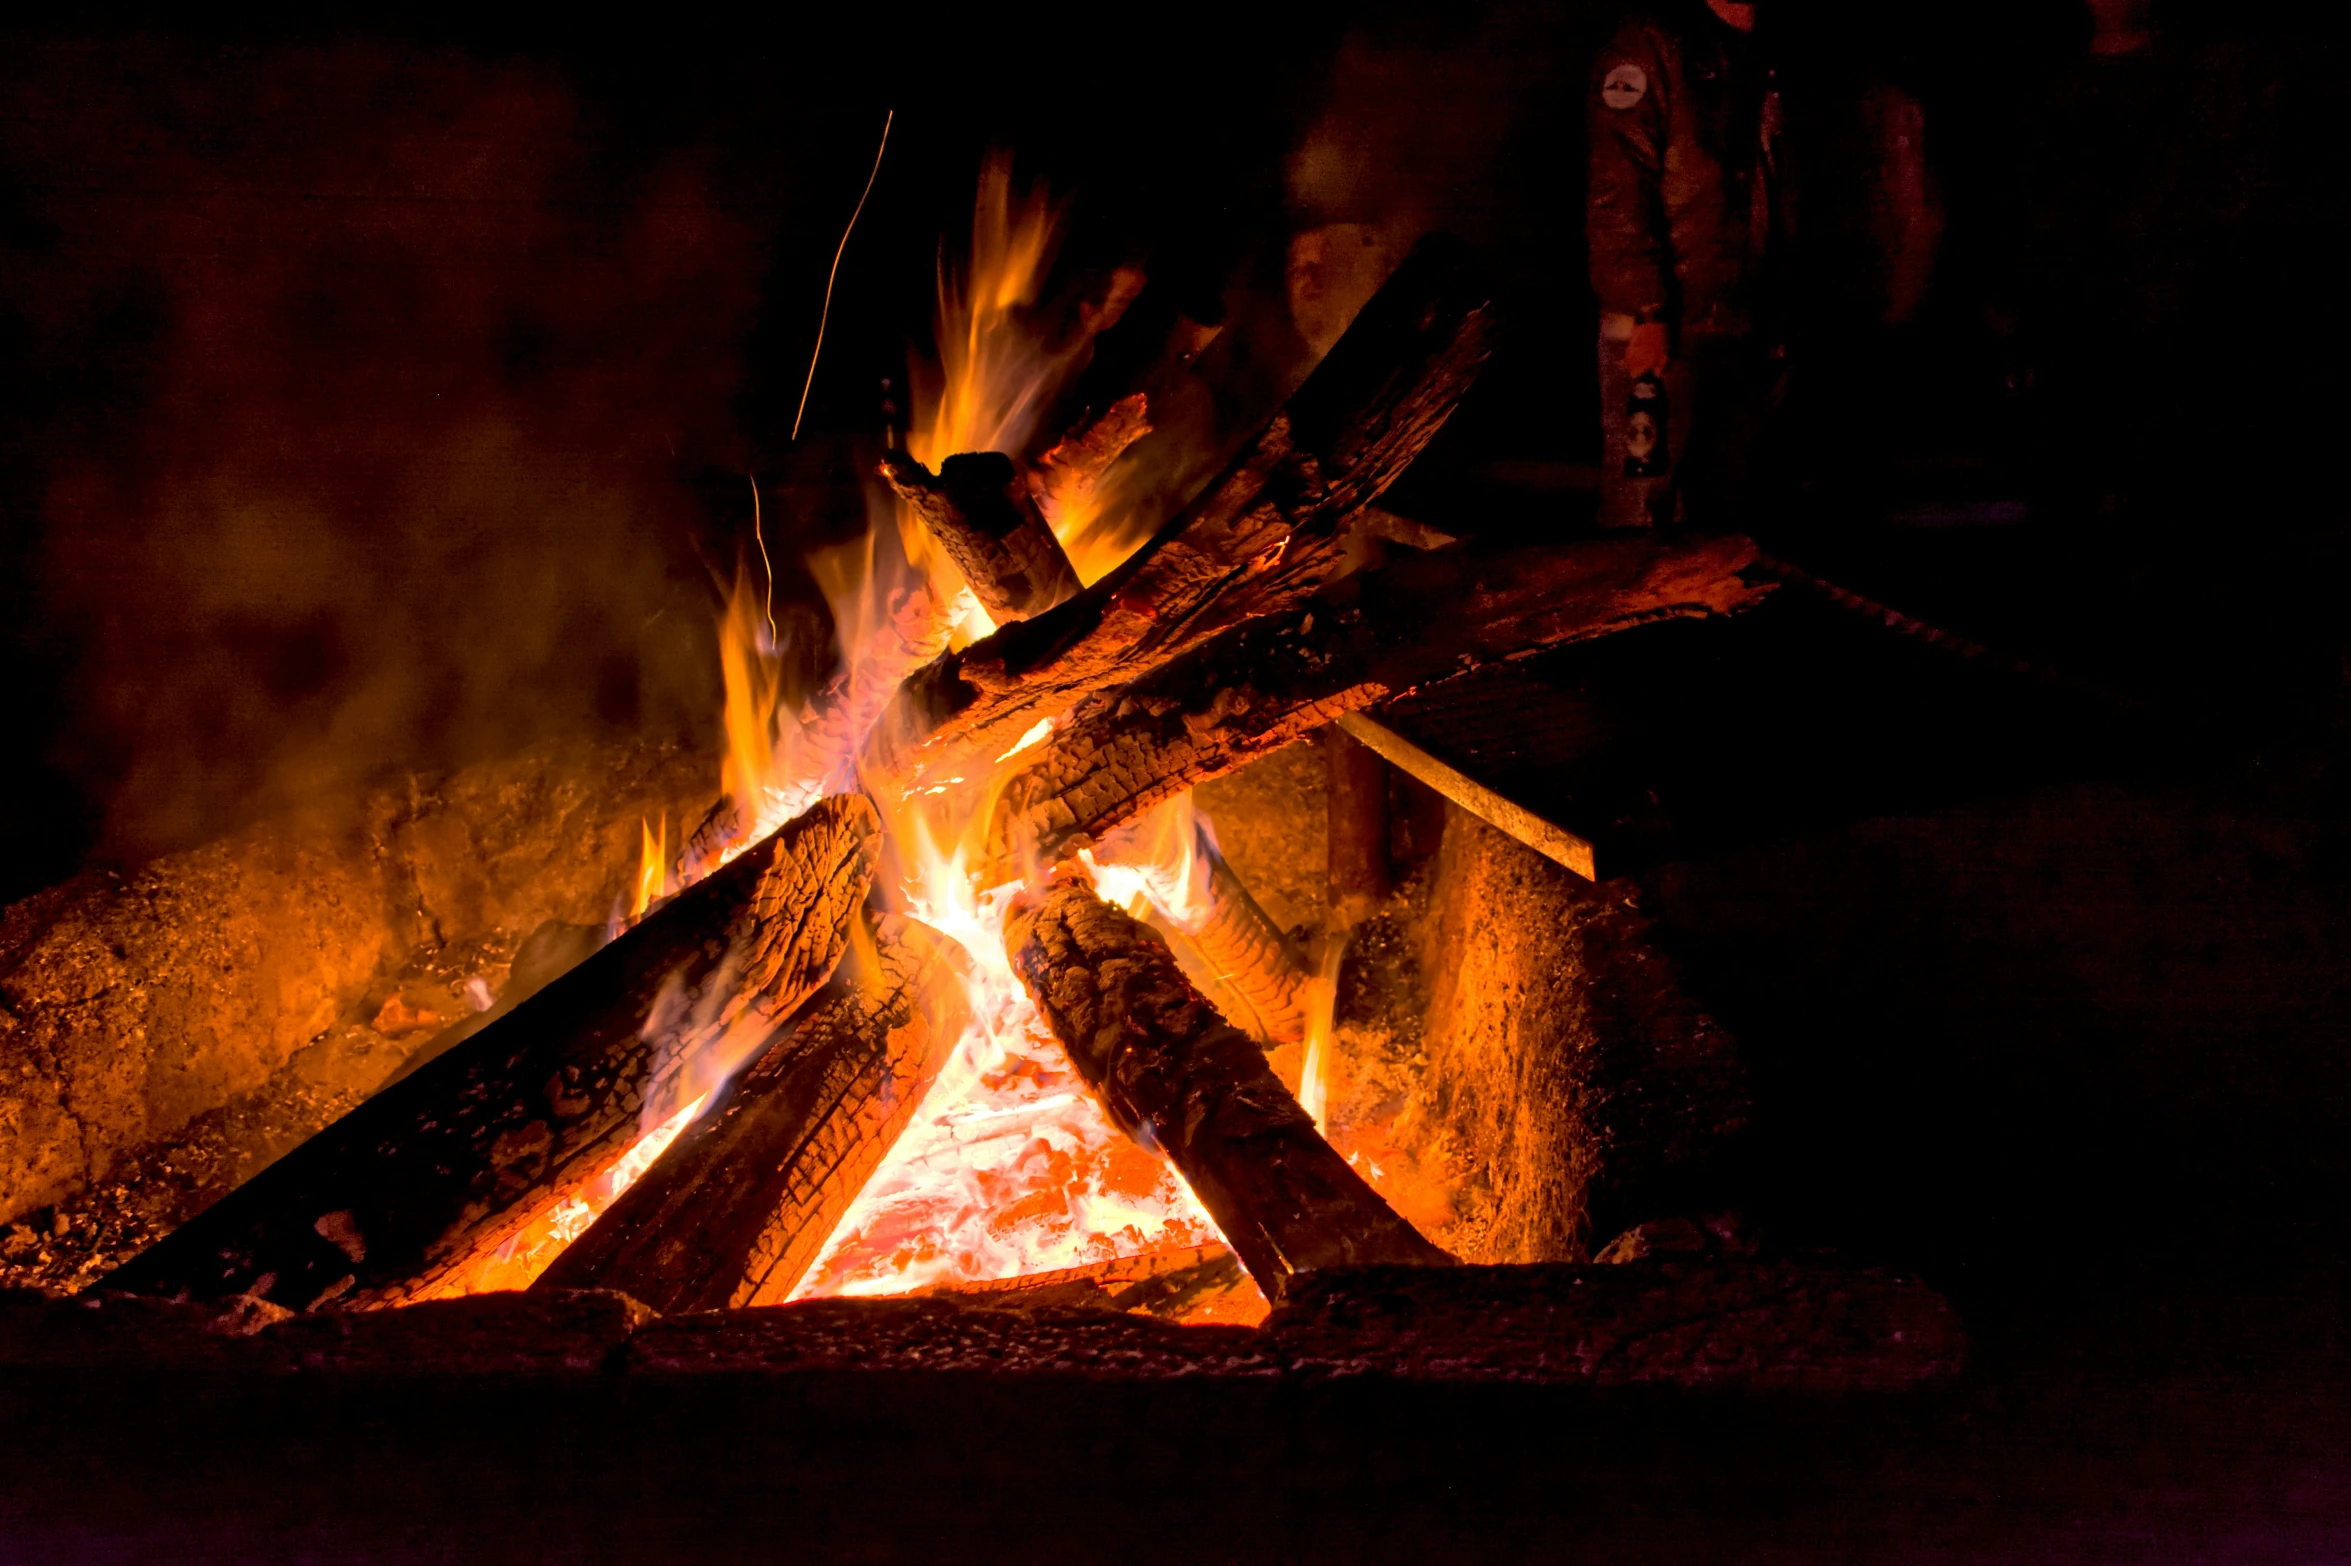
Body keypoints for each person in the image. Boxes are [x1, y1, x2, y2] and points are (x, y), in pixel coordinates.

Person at [1588, 0, 1790, 529]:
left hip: (1745, 325)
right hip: (1665, 330)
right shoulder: (1651, 46)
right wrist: (1645, 309)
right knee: (1642, 510)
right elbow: (1619, 185)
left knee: (1727, 517)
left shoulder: (1775, 50)